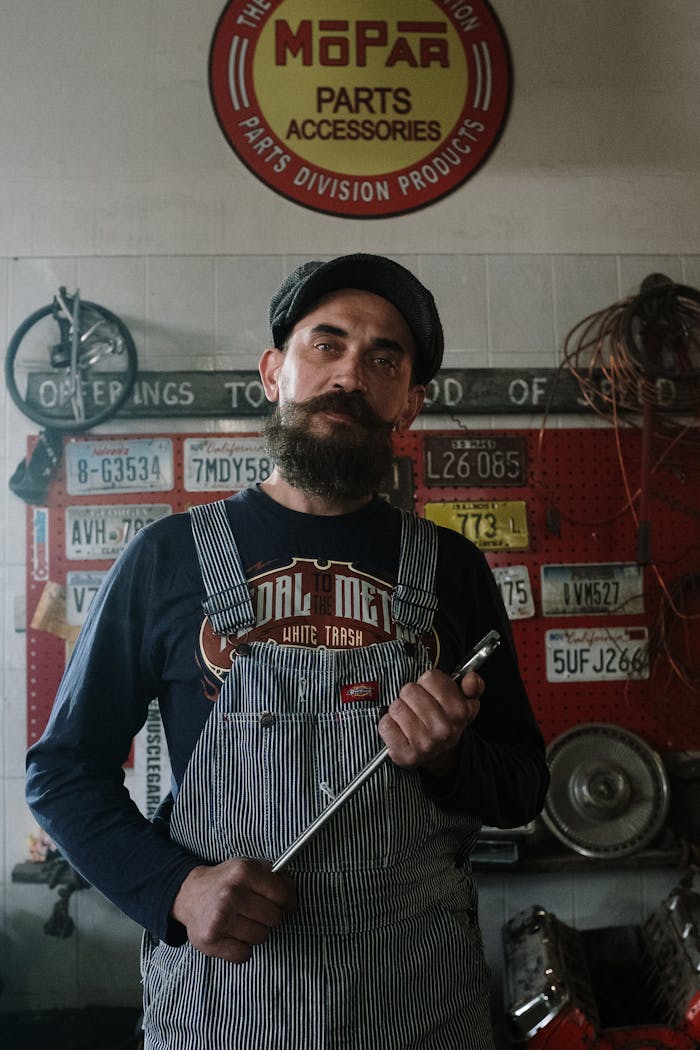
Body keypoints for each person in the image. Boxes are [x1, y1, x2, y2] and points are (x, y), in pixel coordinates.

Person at [26, 253, 549, 1050]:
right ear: (274, 372)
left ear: (410, 401)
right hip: (224, 1004)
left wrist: (450, 759)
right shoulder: (167, 558)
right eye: (326, 344)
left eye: (384, 358)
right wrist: (175, 888)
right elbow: (61, 771)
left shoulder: (451, 569)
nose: (349, 375)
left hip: (418, 1006)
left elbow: (521, 786)